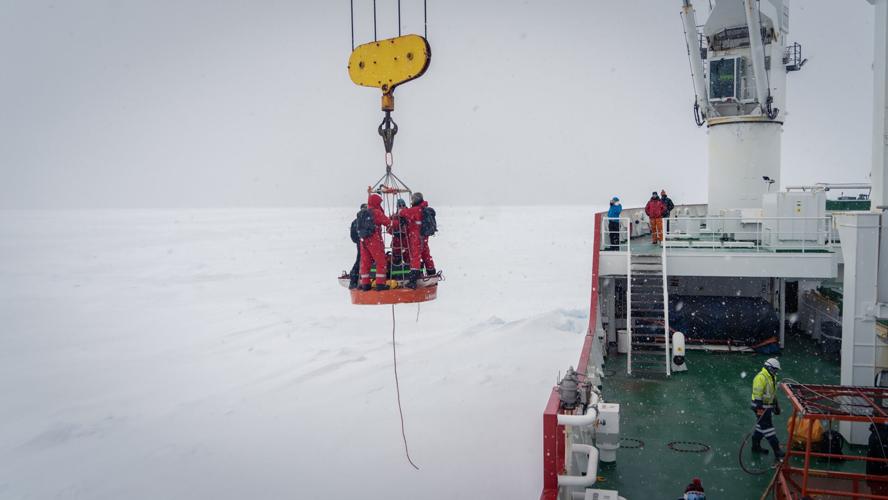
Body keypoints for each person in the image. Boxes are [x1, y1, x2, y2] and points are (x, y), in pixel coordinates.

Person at [750, 358, 785, 460]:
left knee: (761, 427)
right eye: (775, 370)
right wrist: (759, 408)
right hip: (760, 406)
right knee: (768, 428)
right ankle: (777, 450)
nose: (776, 372)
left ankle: (755, 446)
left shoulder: (772, 377)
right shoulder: (761, 377)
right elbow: (757, 394)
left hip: (767, 407)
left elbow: (772, 393)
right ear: (769, 368)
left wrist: (776, 405)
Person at [399, 192, 436, 289]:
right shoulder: (424, 209)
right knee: (426, 255)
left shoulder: (415, 210)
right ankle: (432, 274)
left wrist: (400, 210)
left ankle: (413, 280)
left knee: (415, 257)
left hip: (416, 237)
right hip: (424, 237)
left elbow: (403, 213)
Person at [358, 193, 391, 291]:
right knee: (381, 261)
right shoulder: (376, 212)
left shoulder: (362, 213)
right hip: (374, 239)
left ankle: (365, 284)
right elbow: (388, 222)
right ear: (377, 202)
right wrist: (397, 222)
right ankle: (380, 284)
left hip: (363, 240)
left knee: (365, 262)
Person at [348, 203, 368, 289]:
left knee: (361, 260)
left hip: (362, 243)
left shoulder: (356, 222)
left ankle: (356, 278)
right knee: (361, 260)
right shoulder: (365, 220)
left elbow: (353, 236)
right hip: (364, 243)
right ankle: (355, 279)